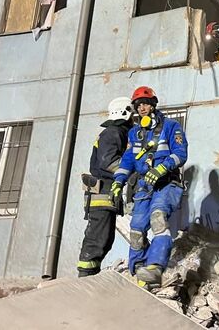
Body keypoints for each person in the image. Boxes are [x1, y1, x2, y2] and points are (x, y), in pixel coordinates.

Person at [111, 86, 188, 287]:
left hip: (166, 183)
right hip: (144, 186)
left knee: (158, 218)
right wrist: (118, 181)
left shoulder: (171, 126)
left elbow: (180, 154)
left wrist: (161, 168)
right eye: (138, 106)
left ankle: (155, 267)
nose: (142, 108)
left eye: (145, 104)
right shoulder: (135, 133)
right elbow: (128, 160)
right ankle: (138, 270)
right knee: (136, 230)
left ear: (153, 105)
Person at [77, 97, 133, 277]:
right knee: (97, 240)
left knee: (105, 239)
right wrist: (131, 169)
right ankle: (85, 279)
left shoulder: (115, 132)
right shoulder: (113, 132)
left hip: (105, 194)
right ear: (126, 113)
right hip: (102, 194)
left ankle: (90, 276)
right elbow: (108, 162)